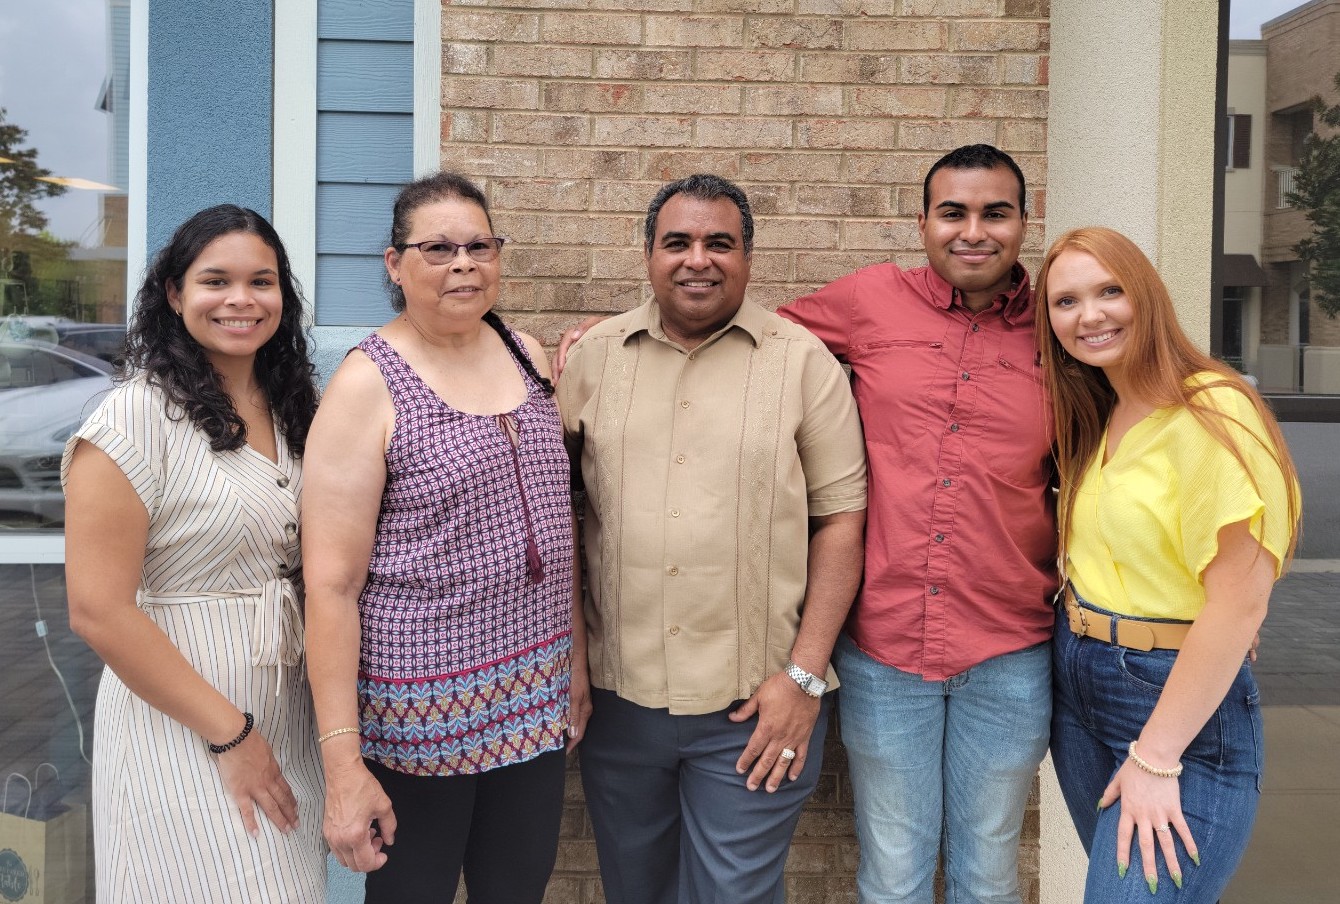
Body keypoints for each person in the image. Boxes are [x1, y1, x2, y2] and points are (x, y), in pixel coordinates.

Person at [558, 173, 867, 904]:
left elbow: (842, 521)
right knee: (637, 892)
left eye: (719, 243)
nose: (698, 259)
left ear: (748, 259)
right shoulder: (593, 359)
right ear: (648, 256)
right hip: (618, 706)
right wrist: (572, 659)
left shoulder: (802, 363)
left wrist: (804, 678)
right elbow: (556, 515)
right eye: (678, 243)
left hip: (756, 710)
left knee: (736, 895)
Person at [778, 144, 1057, 904]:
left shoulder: (1060, 326)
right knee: (894, 868)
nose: (974, 231)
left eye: (995, 213)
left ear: (1023, 223)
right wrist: (613, 335)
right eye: (953, 212)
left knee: (989, 870)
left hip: (1010, 648)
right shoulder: (871, 299)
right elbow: (747, 339)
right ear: (923, 223)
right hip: (885, 648)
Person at [301, 171, 587, 904]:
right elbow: (331, 585)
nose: (463, 263)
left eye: (479, 246)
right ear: (394, 265)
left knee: (515, 891)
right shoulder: (369, 384)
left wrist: (575, 668)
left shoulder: (524, 352)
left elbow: (557, 530)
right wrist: (343, 765)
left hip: (533, 700)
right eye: (438, 248)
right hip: (418, 720)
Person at [62, 205, 325, 902]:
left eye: (261, 282)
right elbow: (97, 610)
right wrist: (231, 737)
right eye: (216, 281)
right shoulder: (134, 417)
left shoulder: (295, 409)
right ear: (175, 295)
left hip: (286, 719)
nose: (241, 300)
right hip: (182, 726)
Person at [1036, 226, 1300, 902]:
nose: (1089, 315)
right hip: (1080, 679)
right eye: (1066, 303)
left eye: (1109, 291)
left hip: (1172, 703)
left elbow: (1240, 603)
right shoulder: (1104, 409)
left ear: (1146, 295)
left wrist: (1155, 757)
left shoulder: (1215, 409)